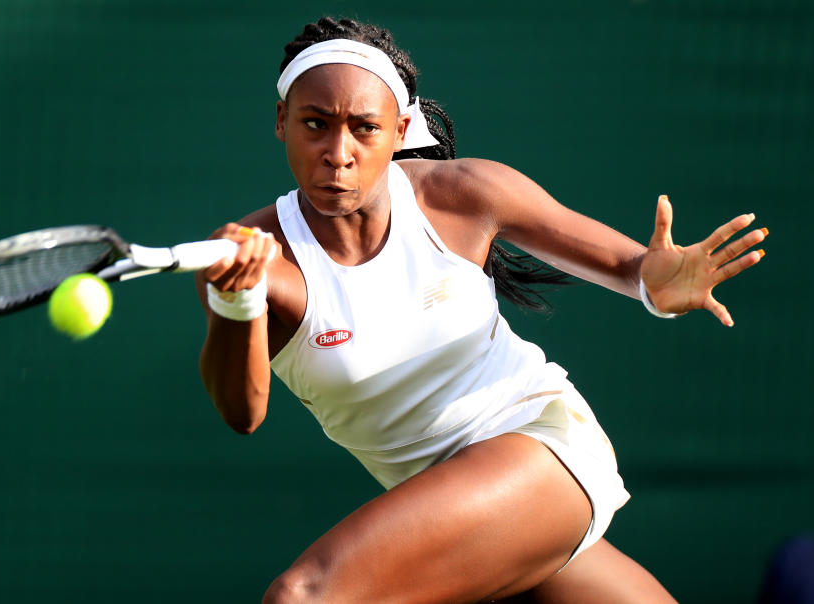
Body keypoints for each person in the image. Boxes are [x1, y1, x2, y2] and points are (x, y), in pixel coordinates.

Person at [195, 17, 768, 603]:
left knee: (306, 597)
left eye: (364, 129)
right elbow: (243, 413)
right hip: (449, 503)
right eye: (314, 125)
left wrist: (656, 283)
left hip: (542, 450)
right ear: (281, 123)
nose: (337, 154)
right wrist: (236, 302)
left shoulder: (463, 193)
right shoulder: (253, 256)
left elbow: (628, 267)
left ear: (399, 132)